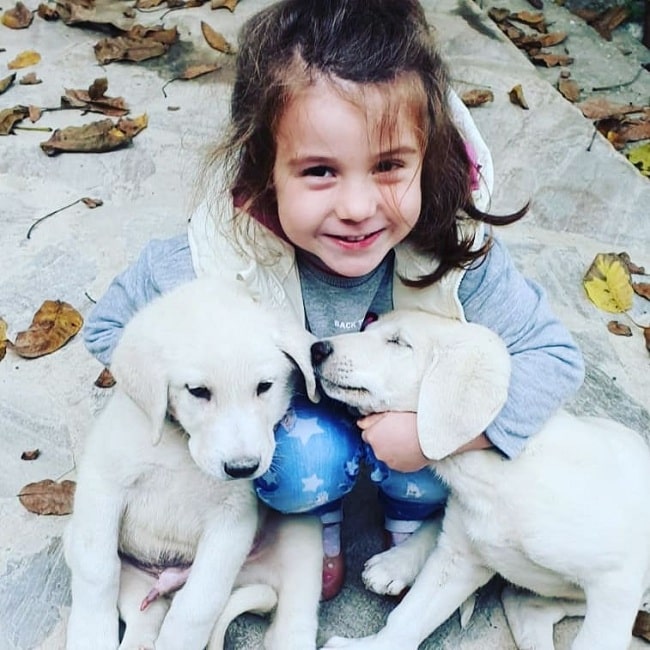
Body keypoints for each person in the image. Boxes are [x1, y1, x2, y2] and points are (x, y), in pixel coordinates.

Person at [83, 0, 585, 602]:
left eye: (390, 166)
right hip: (302, 441)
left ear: (430, 158)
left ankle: (411, 518)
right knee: (298, 462)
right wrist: (204, 405)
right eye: (320, 170)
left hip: (411, 441)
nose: (356, 206)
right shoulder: (220, 251)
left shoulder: (454, 252)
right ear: (267, 167)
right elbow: (110, 327)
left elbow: (553, 357)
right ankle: (315, 519)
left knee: (445, 468)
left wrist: (433, 434)